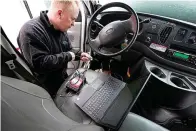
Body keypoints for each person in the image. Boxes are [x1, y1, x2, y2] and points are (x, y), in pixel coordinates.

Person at [17, 0, 92, 96]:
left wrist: (79, 54)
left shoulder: (60, 27)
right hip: (44, 89)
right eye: (72, 19)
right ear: (60, 14)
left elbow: (68, 49)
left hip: (61, 79)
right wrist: (69, 56)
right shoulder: (31, 31)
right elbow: (41, 64)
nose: (73, 23)